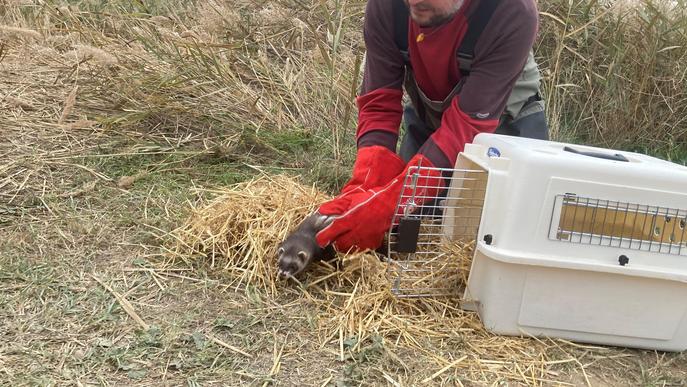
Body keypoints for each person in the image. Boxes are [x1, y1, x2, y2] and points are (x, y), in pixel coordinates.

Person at [314, 0, 548, 253]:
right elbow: (379, 104)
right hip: (430, 118)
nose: (413, 2)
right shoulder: (387, 6)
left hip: (503, 127)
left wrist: (392, 202)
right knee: (405, 234)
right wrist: (365, 185)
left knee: (495, 239)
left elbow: (467, 126)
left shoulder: (510, 13)